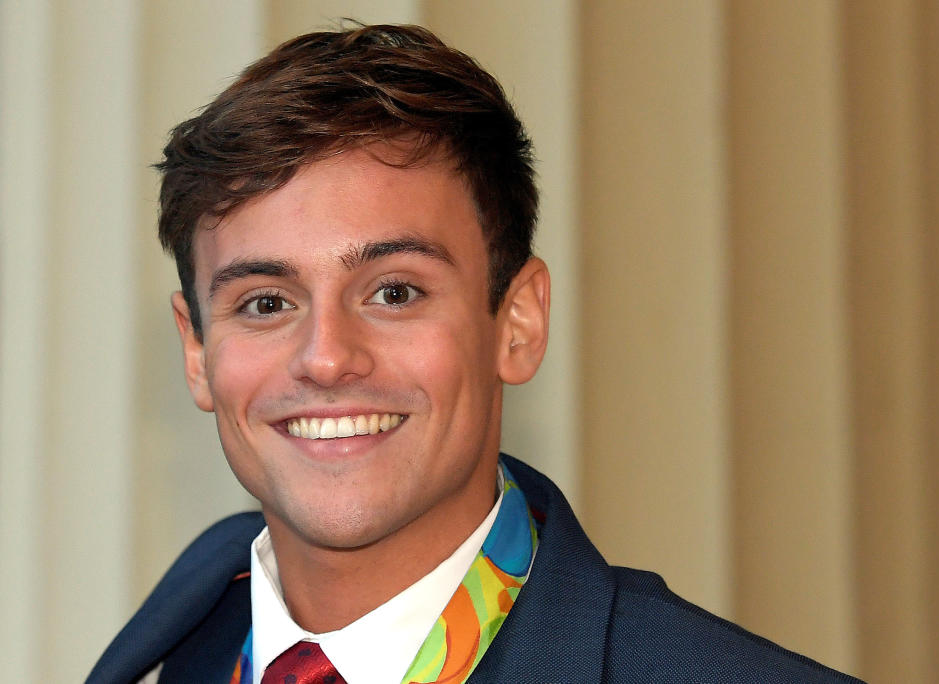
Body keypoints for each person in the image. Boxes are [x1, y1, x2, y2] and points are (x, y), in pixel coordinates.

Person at [88, 24, 862, 684]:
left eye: (393, 292)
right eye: (266, 303)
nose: (325, 359)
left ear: (516, 322)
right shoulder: (189, 638)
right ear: (196, 351)